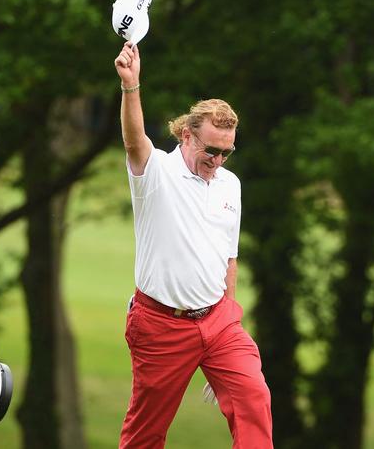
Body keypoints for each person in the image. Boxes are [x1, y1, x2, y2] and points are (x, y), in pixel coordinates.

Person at [113, 42, 273, 448]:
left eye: (226, 153)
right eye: (211, 150)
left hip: (219, 321)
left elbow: (229, 258)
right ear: (187, 135)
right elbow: (134, 141)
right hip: (161, 324)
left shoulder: (230, 185)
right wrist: (131, 86)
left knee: (253, 396)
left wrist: (229, 318)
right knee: (146, 431)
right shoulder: (156, 172)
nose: (218, 161)